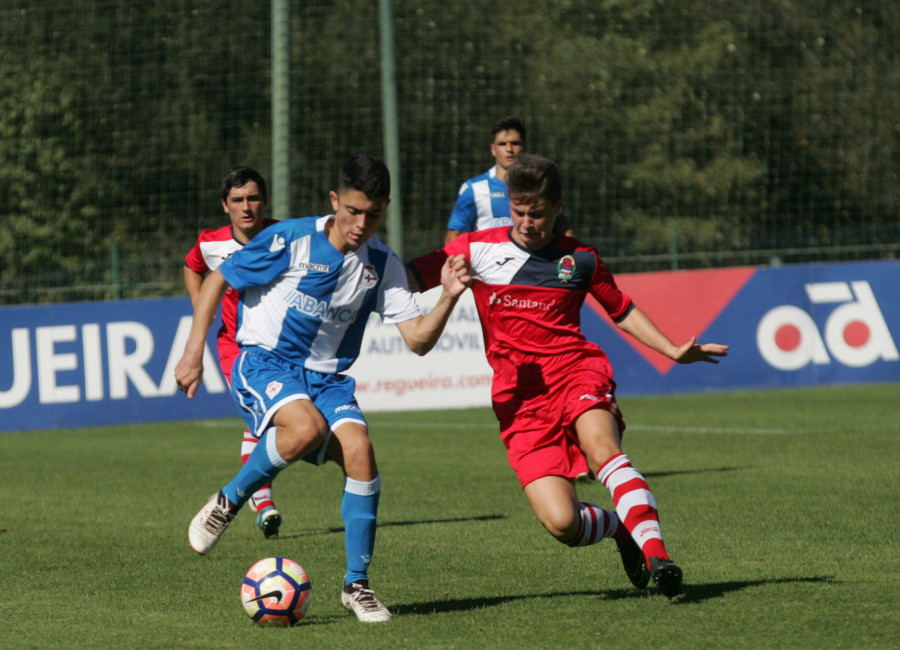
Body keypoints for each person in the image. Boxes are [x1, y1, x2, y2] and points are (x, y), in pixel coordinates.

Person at [408, 154, 728, 598]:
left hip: (577, 373)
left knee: (601, 448)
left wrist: (672, 349)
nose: (526, 222)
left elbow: (622, 309)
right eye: (518, 211)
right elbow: (406, 275)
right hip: (519, 400)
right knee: (562, 523)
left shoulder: (580, 260)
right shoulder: (474, 250)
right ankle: (622, 531)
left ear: (557, 207)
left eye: (537, 213)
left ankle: (659, 555)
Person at [175, 154, 471, 623]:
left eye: (373, 214)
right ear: (335, 201)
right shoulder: (290, 239)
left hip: (328, 378)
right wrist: (193, 353)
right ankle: (230, 500)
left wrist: (450, 297)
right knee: (306, 428)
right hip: (265, 360)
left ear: (385, 209)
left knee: (360, 450)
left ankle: (357, 586)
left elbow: (416, 340)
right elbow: (215, 279)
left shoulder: (382, 262)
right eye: (352, 211)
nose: (360, 224)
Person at [183, 166, 283, 539]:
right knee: (266, 417)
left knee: (276, 422)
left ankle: (256, 497)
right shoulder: (211, 243)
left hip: (282, 347)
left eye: (253, 198)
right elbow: (191, 268)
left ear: (264, 201)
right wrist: (201, 311)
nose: (247, 207)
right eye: (238, 200)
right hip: (235, 348)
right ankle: (262, 500)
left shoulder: (285, 237)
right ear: (225, 206)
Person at [445, 115, 572, 245]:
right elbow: (455, 236)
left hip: (532, 263)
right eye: (502, 144)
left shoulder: (539, 184)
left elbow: (563, 227)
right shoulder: (474, 189)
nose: (509, 149)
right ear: (493, 149)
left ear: (524, 146)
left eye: (515, 143)